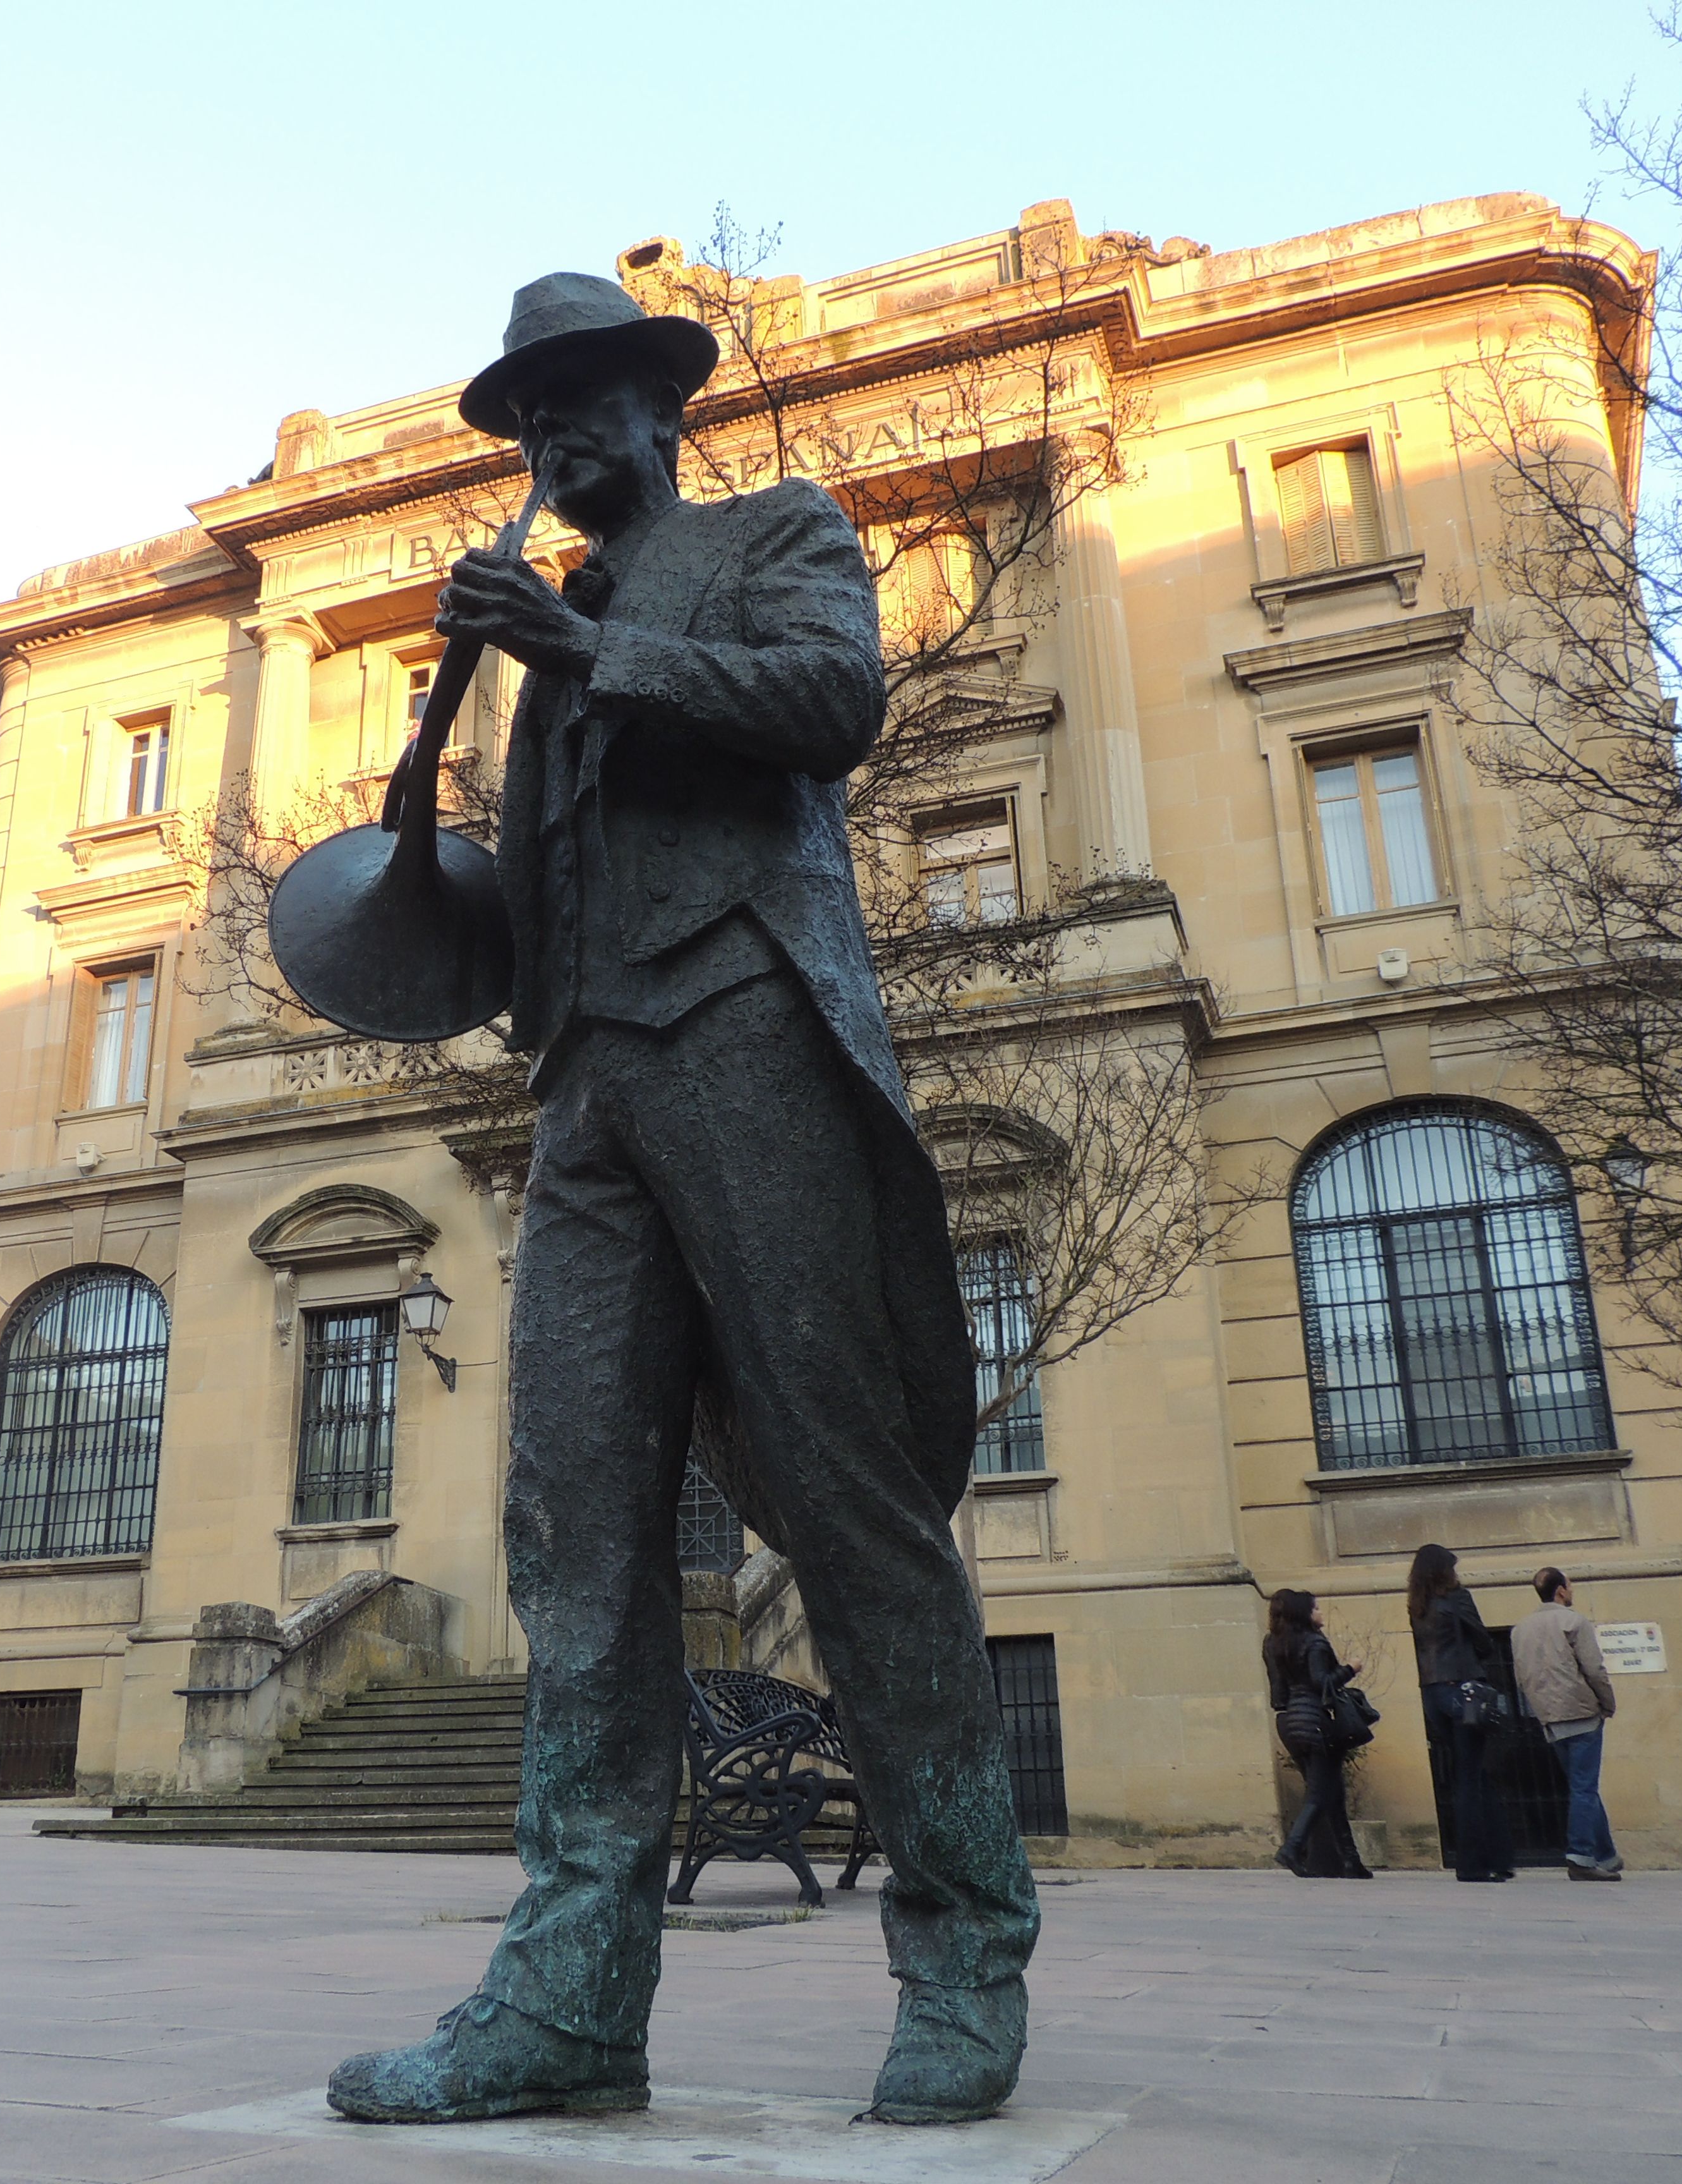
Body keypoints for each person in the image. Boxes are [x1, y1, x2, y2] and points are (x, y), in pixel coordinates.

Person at [324, 274, 1037, 2130]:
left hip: (746, 1020)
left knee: (847, 1491)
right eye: (525, 420)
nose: (550, 445)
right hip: (586, 1080)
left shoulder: (773, 535)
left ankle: (964, 1952)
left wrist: (573, 658)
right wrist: (421, 861)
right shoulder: (543, 640)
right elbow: (534, 906)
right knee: (575, 1530)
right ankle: (568, 2003)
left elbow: (831, 704)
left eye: (577, 406)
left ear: (656, 406)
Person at [1407, 1542, 1515, 1883]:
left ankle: (1498, 1857)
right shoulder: (1458, 1599)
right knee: (1471, 1779)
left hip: (1433, 1693)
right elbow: (1483, 1641)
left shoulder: (1418, 1606)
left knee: (1471, 1775)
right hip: (1462, 1692)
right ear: (1444, 1570)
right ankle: (1472, 1865)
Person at [1514, 1567, 1623, 1879]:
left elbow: (1521, 1678)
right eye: (1570, 1586)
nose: (1571, 1591)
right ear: (1561, 1590)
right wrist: (1608, 1703)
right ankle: (1580, 1856)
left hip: (1549, 1718)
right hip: (1582, 1714)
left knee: (1582, 1787)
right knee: (1584, 1788)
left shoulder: (1520, 1629)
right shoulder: (1574, 1622)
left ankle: (1607, 1855)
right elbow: (1595, 1670)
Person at [1264, 1589, 1372, 1878]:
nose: (1321, 1612)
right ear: (1306, 1613)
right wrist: (1351, 1668)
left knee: (1331, 1791)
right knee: (1321, 1791)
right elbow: (1322, 1683)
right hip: (1316, 1720)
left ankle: (1351, 1860)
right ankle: (1293, 1848)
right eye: (1316, 1608)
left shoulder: (1273, 1643)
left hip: (1289, 1721)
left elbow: (1278, 1692)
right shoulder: (1315, 1643)